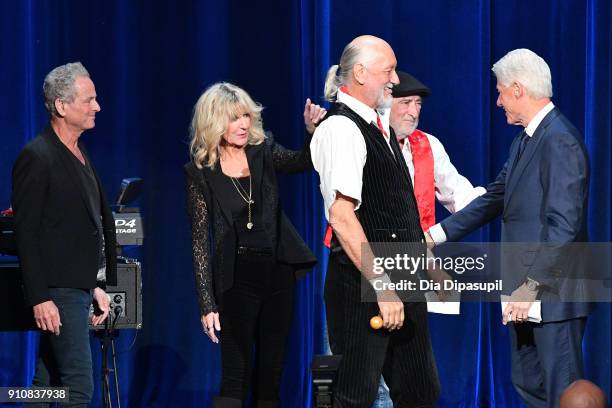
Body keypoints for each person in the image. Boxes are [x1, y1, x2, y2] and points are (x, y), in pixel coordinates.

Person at [427, 49, 590, 407]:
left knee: (562, 394)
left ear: (518, 89)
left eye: (501, 92)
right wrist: (435, 235)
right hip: (523, 295)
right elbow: (493, 197)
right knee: (527, 387)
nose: (498, 101)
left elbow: (563, 227)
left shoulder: (560, 139)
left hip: (551, 296)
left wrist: (531, 286)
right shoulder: (525, 140)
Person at [311, 35, 440, 407]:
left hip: (405, 282)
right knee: (355, 396)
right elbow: (342, 215)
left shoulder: (377, 127)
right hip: (365, 289)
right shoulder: (341, 128)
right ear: (360, 73)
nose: (396, 80)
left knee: (421, 392)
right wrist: (382, 287)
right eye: (389, 70)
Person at [185, 82, 324, 407]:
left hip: (278, 273)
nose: (244, 124)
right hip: (236, 279)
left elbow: (303, 161)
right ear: (215, 121)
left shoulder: (263, 151)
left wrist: (311, 131)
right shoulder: (200, 172)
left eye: (247, 116)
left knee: (270, 374)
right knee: (235, 375)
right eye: (234, 118)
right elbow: (199, 240)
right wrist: (207, 302)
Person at [370, 70, 487, 408]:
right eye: (405, 102)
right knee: (367, 373)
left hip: (411, 265)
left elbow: (462, 195)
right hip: (366, 264)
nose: (413, 111)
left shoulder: (427, 145)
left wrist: (502, 198)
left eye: (417, 104)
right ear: (384, 104)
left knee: (413, 374)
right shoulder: (365, 141)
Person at [12, 62, 116, 406]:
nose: (97, 106)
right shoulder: (37, 157)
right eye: (89, 100)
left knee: (47, 382)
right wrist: (40, 298)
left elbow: (83, 226)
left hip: (76, 288)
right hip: (57, 293)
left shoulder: (79, 151)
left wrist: (96, 283)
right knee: (78, 387)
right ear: (61, 106)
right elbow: (26, 234)